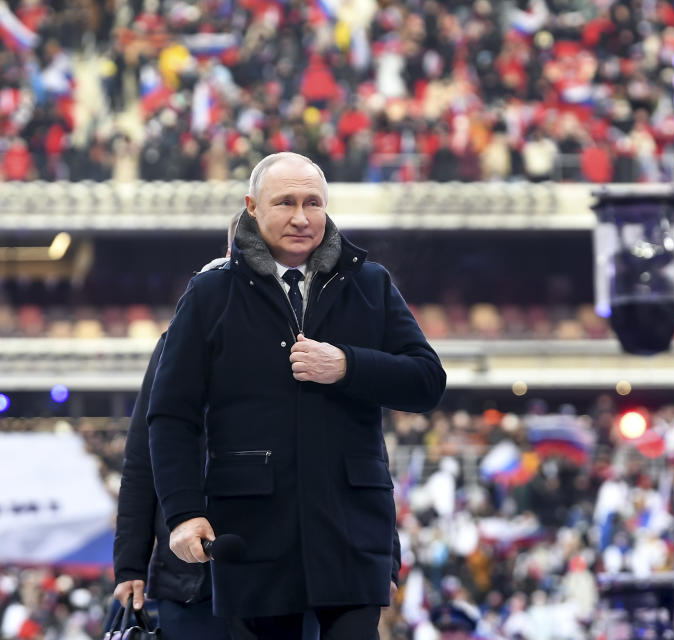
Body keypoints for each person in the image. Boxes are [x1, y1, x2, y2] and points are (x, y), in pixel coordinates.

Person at [147, 152, 446, 639]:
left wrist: (348, 365)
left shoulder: (371, 283)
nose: (302, 217)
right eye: (285, 202)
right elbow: (170, 416)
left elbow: (427, 381)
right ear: (251, 207)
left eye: (313, 203)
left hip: (351, 528)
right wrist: (183, 513)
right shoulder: (209, 295)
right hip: (253, 533)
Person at [111, 214, 237, 639]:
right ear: (230, 252)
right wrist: (129, 565)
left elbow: (355, 448)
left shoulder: (310, 334)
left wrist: (383, 560)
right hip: (190, 578)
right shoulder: (180, 338)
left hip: (284, 573)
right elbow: (142, 459)